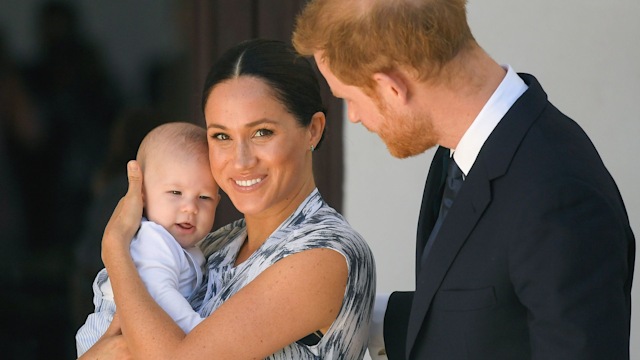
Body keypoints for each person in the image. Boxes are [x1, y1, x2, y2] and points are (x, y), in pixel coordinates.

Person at [293, 1, 635, 359]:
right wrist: (346, 309)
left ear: (392, 87)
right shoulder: (462, 150)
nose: (355, 118)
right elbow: (488, 314)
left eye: (349, 98)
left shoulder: (559, 195)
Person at [80, 38, 376, 359]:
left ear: (313, 130)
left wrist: (115, 250)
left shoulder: (324, 254)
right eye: (222, 136)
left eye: (262, 132)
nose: (241, 160)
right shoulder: (217, 244)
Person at [75, 122, 220, 356]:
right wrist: (199, 332)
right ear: (141, 195)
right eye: (175, 193)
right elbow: (161, 294)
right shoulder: (153, 240)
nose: (190, 208)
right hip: (110, 336)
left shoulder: (187, 246)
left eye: (204, 197)